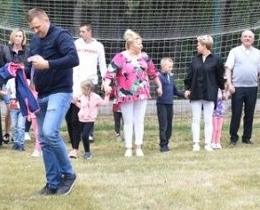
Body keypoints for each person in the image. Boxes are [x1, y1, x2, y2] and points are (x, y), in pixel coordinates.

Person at [26, 8, 79, 196]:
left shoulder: (61, 36)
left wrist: (48, 64)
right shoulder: (34, 40)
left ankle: (69, 174)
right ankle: (52, 183)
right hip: (41, 94)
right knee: (43, 139)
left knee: (50, 132)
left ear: (46, 20)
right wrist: (18, 72)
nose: (35, 31)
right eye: (32, 28)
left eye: (37, 27)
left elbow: (74, 59)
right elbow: (30, 63)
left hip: (60, 91)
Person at [102, 29, 161, 158]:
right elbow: (110, 73)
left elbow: (152, 72)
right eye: (139, 44)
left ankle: (138, 146)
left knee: (139, 120)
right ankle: (128, 147)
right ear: (131, 45)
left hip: (142, 92)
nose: (141, 46)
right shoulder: (120, 57)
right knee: (128, 121)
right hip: (125, 93)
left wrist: (159, 85)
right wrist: (106, 84)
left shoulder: (144, 56)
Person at [225, 29, 260, 146]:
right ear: (241, 38)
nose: (247, 38)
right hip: (237, 87)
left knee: (249, 114)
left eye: (250, 36)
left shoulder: (258, 53)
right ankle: (233, 138)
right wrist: (230, 84)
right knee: (236, 113)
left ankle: (247, 137)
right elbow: (228, 68)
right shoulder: (234, 51)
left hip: (252, 87)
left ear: (253, 40)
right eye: (245, 36)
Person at [70, 23, 107, 158]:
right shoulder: (76, 44)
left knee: (89, 112)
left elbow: (102, 65)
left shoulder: (98, 46)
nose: (81, 34)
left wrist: (105, 81)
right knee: (75, 117)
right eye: (80, 32)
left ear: (90, 32)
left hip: (91, 84)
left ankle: (87, 136)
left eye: (83, 31)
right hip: (76, 84)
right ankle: (74, 148)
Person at [184, 35, 225, 152]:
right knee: (195, 119)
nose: (197, 46)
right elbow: (189, 76)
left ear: (204, 45)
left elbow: (219, 77)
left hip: (210, 93)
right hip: (196, 92)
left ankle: (208, 143)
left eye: (198, 44)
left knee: (208, 120)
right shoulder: (195, 59)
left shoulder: (216, 60)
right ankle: (196, 143)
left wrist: (222, 90)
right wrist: (187, 88)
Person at [0, 29, 28, 145]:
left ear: (23, 38)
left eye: (20, 36)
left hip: (22, 82)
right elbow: (1, 67)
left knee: (21, 108)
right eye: (16, 36)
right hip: (8, 83)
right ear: (12, 37)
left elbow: (29, 67)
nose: (17, 38)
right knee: (9, 108)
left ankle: (19, 133)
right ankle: (7, 132)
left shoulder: (27, 51)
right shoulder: (5, 50)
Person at [74, 79, 108, 160]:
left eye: (82, 89)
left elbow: (103, 103)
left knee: (85, 135)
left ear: (87, 89)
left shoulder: (96, 97)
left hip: (90, 120)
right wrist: (75, 102)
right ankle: (84, 151)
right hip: (81, 119)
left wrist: (107, 95)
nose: (81, 90)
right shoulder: (82, 97)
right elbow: (82, 106)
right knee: (82, 136)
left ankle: (88, 152)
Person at [156, 57, 183, 152]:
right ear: (163, 66)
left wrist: (185, 95)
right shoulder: (159, 77)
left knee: (169, 125)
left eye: (172, 66)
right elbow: (157, 87)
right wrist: (158, 89)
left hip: (170, 104)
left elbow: (175, 90)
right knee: (163, 125)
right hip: (162, 104)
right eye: (169, 66)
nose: (171, 68)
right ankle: (163, 145)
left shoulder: (171, 77)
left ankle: (167, 142)